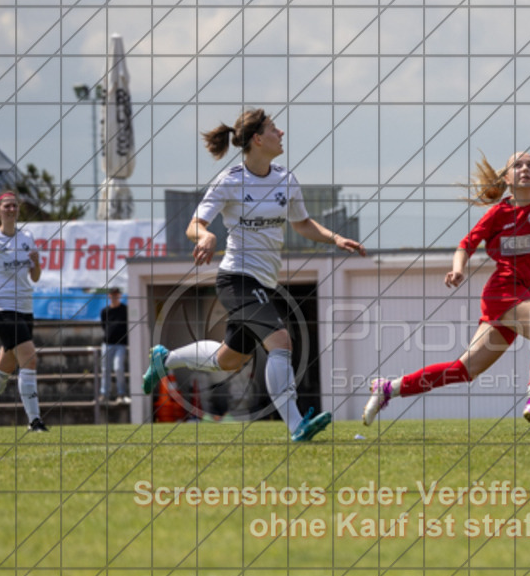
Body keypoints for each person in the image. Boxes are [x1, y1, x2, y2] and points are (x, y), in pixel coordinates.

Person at [141, 107, 366, 441]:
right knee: (281, 341)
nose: (282, 134)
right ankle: (296, 426)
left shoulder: (286, 180)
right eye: (275, 129)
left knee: (228, 360)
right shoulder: (230, 181)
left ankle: (166, 359)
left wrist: (334, 237)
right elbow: (195, 224)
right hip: (236, 277)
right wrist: (206, 236)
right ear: (258, 139)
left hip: (264, 282)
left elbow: (301, 222)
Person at [362, 151, 530, 426]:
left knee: (463, 370)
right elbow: (466, 244)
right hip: (503, 291)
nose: (525, 168)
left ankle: (390, 387)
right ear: (506, 178)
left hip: (518, 297)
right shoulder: (498, 213)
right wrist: (458, 268)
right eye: (517, 165)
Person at [0, 191, 49, 433]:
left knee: (5, 366)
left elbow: (34, 277)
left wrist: (37, 263)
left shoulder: (27, 237)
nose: (11, 209)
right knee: (30, 358)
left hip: (25, 307)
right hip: (2, 308)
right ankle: (35, 420)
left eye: (14, 206)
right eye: (7, 206)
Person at [100, 287, 130, 404]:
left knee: (118, 368)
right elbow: (103, 326)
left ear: (120, 296)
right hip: (107, 344)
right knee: (105, 369)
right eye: (112, 295)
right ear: (109, 296)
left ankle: (121, 394)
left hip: (120, 344)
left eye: (116, 294)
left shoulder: (125, 309)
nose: (114, 297)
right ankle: (104, 394)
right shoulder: (105, 311)